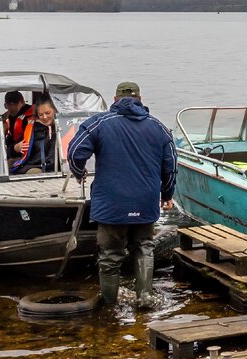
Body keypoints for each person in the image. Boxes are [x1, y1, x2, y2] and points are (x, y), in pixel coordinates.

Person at [67, 80, 176, 309]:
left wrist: (78, 172)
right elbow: (171, 166)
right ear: (140, 100)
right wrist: (167, 194)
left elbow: (76, 150)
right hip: (145, 202)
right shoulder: (158, 127)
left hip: (111, 204)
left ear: (115, 100)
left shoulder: (100, 123)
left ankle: (109, 304)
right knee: (144, 247)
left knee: (110, 256)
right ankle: (144, 297)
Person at [11, 99, 58, 174]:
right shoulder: (33, 129)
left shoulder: (63, 127)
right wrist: (16, 148)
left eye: (47, 113)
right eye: (40, 115)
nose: (45, 117)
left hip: (57, 167)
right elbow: (17, 151)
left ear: (55, 110)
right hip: (37, 165)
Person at [3, 91, 34, 163]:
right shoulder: (7, 117)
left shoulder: (32, 117)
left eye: (15, 104)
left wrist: (12, 150)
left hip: (27, 155)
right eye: (9, 105)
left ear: (22, 103)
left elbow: (27, 144)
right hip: (14, 151)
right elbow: (9, 139)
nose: (12, 107)